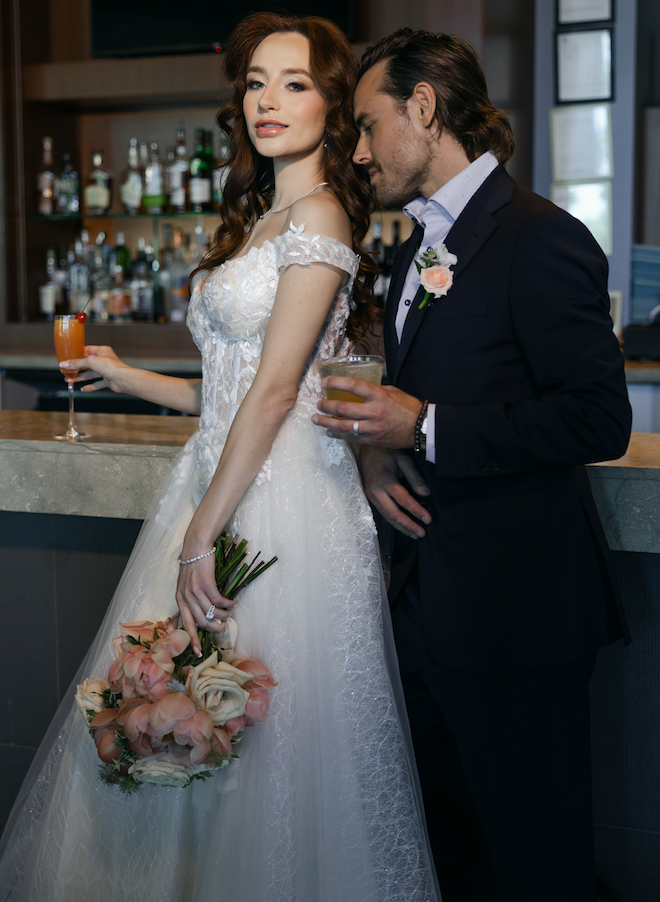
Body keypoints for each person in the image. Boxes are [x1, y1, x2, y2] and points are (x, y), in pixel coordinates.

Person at [0, 17, 439, 902]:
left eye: (296, 83)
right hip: (220, 481)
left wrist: (201, 531)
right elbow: (233, 394)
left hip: (283, 507)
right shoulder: (259, 218)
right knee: (195, 717)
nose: (267, 102)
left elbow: (278, 395)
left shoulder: (318, 214)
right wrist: (128, 375)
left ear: (334, 103)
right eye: (255, 83)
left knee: (269, 733)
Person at [313, 28, 632, 902]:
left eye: (369, 126)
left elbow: (599, 416)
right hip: (422, 605)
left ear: (425, 108)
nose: (361, 150)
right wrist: (383, 452)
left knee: (537, 862)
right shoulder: (414, 246)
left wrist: (427, 427)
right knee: (433, 850)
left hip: (515, 614)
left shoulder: (539, 236)